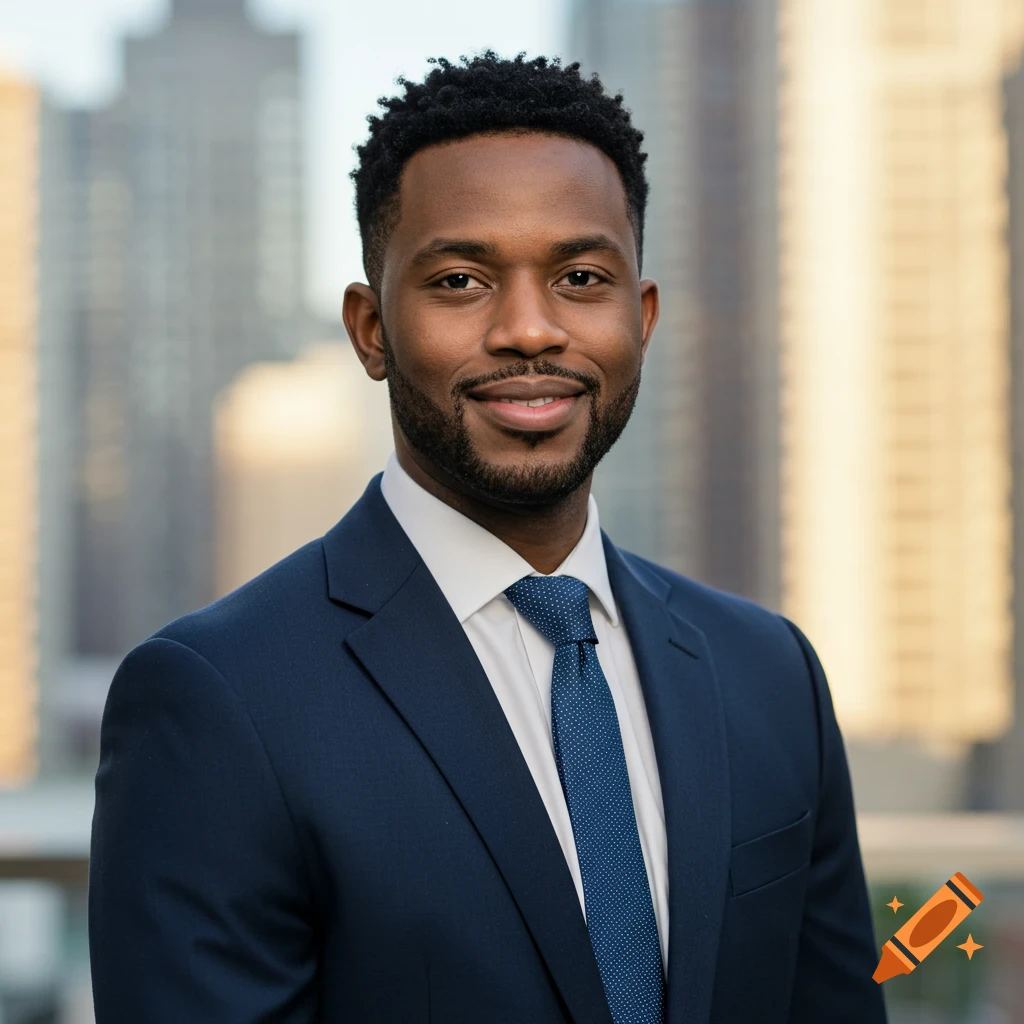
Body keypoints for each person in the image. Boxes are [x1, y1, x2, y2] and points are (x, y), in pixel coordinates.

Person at [88, 51, 887, 1024]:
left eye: (580, 276)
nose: (528, 329)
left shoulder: (770, 677)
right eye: (461, 279)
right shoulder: (219, 701)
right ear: (371, 327)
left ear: (640, 318)